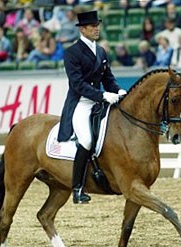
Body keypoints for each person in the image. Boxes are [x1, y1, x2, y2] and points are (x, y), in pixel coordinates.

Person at [57, 10, 126, 204]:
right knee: (86, 140)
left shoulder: (101, 51)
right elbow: (77, 84)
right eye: (93, 26)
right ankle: (77, 188)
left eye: (98, 26)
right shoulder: (72, 52)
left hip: (99, 102)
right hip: (81, 103)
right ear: (83, 29)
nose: (97, 29)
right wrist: (103, 95)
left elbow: (108, 79)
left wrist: (119, 91)